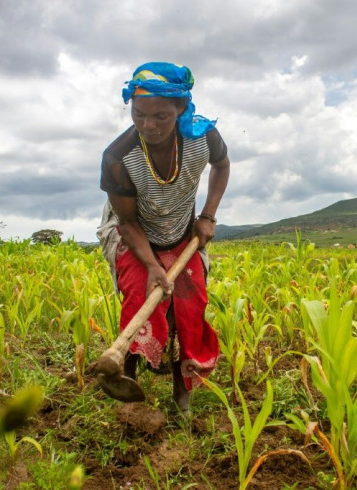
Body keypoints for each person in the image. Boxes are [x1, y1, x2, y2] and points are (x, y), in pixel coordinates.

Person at [97, 62, 230, 413]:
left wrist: (208, 216)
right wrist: (153, 265)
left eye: (160, 116)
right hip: (135, 233)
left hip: (183, 231)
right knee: (140, 299)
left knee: (190, 307)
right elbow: (127, 222)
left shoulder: (203, 138)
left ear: (181, 109)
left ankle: (181, 400)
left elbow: (223, 165)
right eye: (139, 114)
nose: (147, 125)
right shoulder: (118, 158)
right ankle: (126, 382)